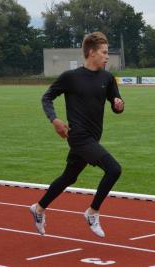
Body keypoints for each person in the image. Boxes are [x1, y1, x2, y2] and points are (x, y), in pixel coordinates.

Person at [29, 32, 124, 238]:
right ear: (91, 53)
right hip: (78, 136)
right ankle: (92, 212)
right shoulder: (70, 77)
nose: (108, 57)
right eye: (104, 52)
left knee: (69, 177)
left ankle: (38, 208)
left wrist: (119, 105)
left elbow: (117, 104)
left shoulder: (107, 78)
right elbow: (47, 98)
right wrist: (55, 120)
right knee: (114, 169)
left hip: (93, 136)